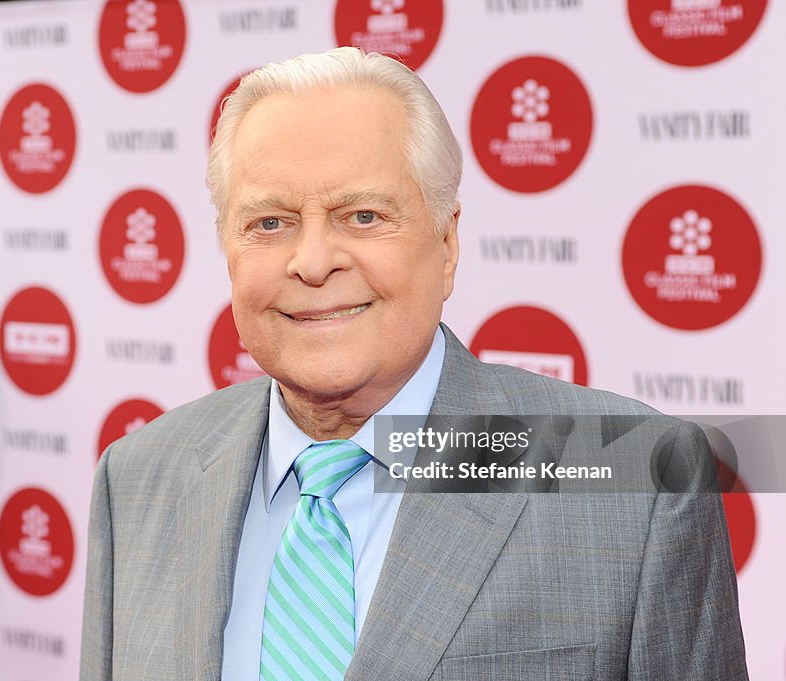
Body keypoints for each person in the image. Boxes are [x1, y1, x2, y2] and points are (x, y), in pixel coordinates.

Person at [80, 48, 746, 680]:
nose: (313, 262)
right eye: (270, 223)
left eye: (363, 216)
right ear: (226, 247)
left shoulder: (639, 482)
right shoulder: (136, 478)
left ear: (448, 242)